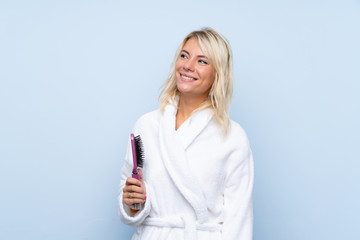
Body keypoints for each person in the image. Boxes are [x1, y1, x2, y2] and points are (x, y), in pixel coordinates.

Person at [118, 27, 254, 240]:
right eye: (184, 56)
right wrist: (132, 203)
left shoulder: (233, 136)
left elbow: (238, 219)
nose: (188, 66)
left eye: (202, 61)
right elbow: (129, 212)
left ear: (217, 73)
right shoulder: (146, 125)